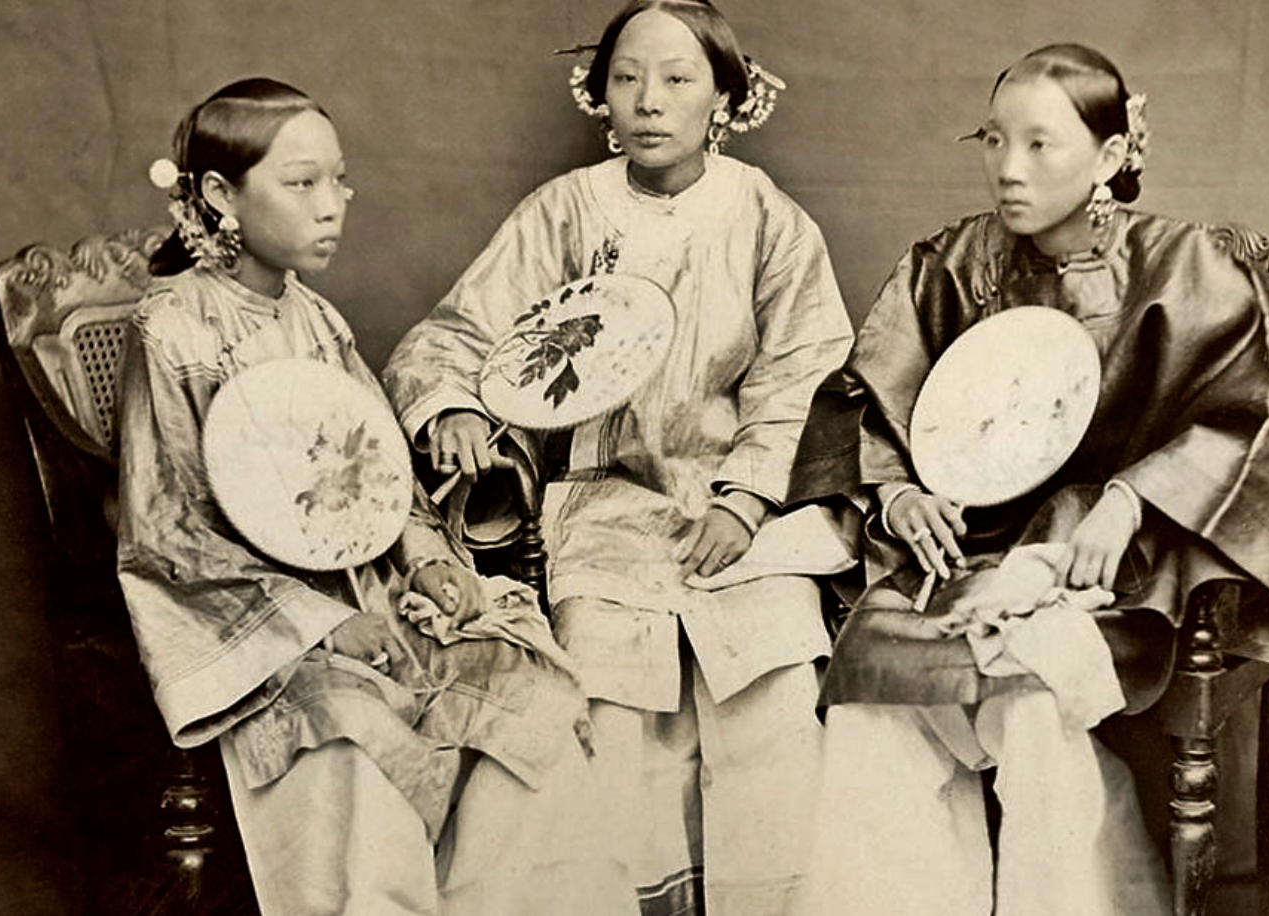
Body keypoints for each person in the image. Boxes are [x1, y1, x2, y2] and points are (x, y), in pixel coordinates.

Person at [788, 43, 1269, 916]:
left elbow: (1250, 413)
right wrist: (901, 490)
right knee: (875, 695)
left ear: (1110, 156)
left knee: (1030, 694)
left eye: (1038, 145)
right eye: (992, 140)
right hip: (961, 550)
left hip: (1121, 565)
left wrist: (1132, 498)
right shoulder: (951, 264)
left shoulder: (1184, 267)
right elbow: (865, 396)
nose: (1006, 170)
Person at [116, 77, 638, 916]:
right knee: (349, 724)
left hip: (369, 594)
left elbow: (381, 473)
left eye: (339, 179)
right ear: (220, 195)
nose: (332, 207)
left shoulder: (317, 320)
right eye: (301, 183)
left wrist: (429, 562)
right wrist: (324, 625)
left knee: (526, 694)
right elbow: (169, 529)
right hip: (262, 632)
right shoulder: (172, 328)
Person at [382, 3, 854, 913]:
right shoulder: (564, 211)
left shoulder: (766, 217)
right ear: (598, 92)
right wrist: (455, 406)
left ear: (724, 96)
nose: (650, 102)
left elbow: (804, 371)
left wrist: (746, 497)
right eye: (628, 77)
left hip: (742, 507)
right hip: (608, 502)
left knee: (773, 684)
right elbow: (454, 335)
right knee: (602, 690)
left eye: (678, 79)